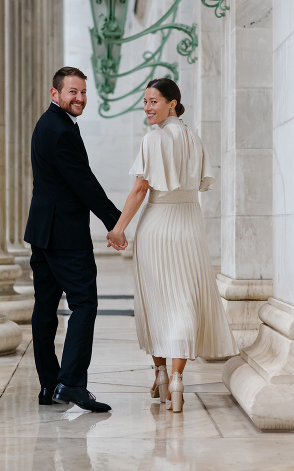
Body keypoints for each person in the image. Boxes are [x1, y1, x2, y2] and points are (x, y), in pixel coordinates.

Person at [106, 78, 239, 413]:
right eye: (146, 101)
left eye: (154, 101)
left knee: (158, 301)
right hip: (189, 226)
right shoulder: (194, 140)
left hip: (158, 224)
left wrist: (119, 229)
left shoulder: (153, 140)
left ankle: (162, 374)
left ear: (173, 103)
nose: (148, 107)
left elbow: (140, 190)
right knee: (184, 301)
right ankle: (178, 379)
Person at [24, 66, 124, 413]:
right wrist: (117, 222)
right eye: (72, 92)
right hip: (64, 233)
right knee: (84, 302)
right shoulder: (61, 130)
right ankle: (72, 384)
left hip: (43, 231)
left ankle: (50, 384)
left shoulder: (48, 124)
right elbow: (84, 182)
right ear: (56, 94)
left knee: (45, 309)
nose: (80, 98)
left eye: (83, 92)